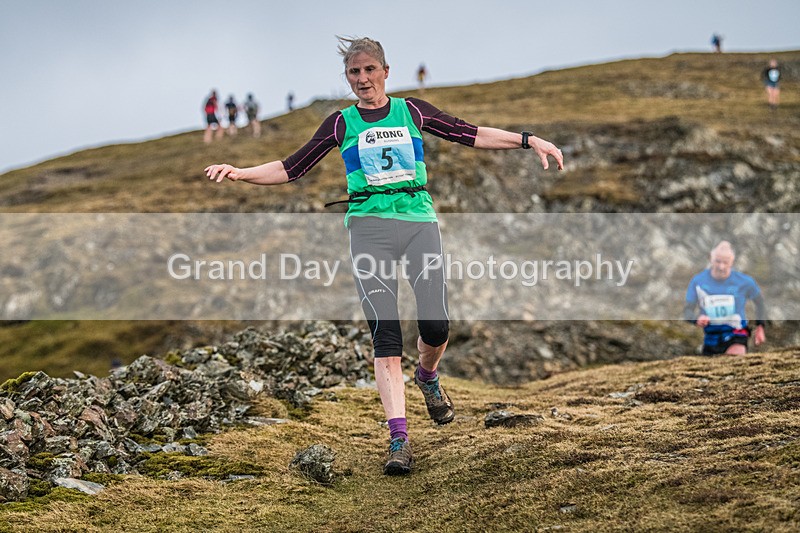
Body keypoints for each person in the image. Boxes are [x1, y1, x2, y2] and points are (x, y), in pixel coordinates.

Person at [204, 36, 563, 475]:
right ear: (347, 77)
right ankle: (399, 439)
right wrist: (240, 172)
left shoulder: (412, 112)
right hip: (368, 230)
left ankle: (427, 376)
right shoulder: (340, 123)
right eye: (354, 72)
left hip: (418, 224)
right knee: (386, 336)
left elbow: (471, 134)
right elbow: (290, 167)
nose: (363, 79)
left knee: (436, 326)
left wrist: (529, 140)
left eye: (370, 69)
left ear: (386, 71)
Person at [684, 241, 766, 356]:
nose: (721, 266)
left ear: (732, 262)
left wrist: (760, 326)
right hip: (711, 338)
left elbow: (760, 303)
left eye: (725, 262)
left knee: (734, 361)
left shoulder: (745, 281)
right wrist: (696, 319)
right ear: (711, 259)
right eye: (718, 261)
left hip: (736, 334)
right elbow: (687, 312)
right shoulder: (698, 281)